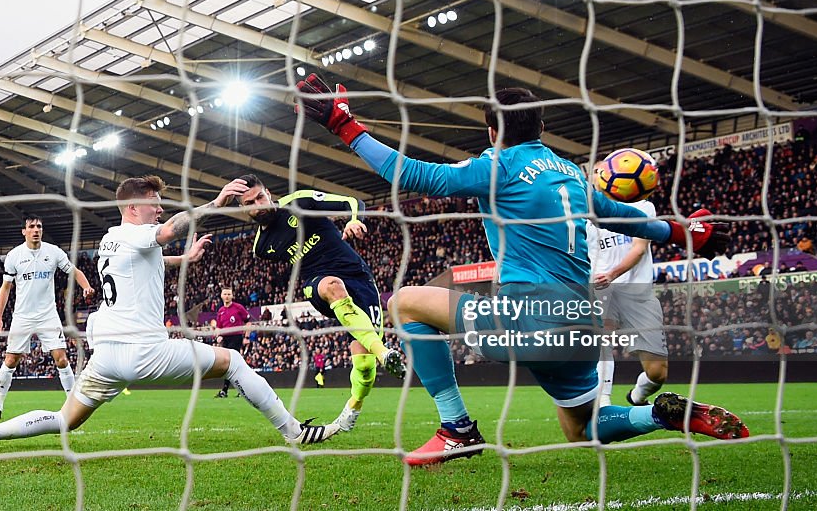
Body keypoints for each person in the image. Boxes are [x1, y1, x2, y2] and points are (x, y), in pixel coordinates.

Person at [295, 75, 748, 465]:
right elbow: (626, 218)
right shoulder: (570, 171)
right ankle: (660, 414)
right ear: (543, 128)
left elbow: (415, 175)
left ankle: (457, 428)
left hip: (529, 320)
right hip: (585, 326)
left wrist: (344, 126)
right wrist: (688, 233)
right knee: (583, 428)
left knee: (405, 302)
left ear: (492, 130)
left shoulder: (500, 166)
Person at [0, 175, 339, 449]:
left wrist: (182, 259)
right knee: (234, 362)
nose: (160, 210)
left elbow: (147, 257)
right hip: (144, 351)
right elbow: (167, 231)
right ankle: (293, 431)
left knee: (64, 419)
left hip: (107, 357)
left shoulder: (110, 240)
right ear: (133, 207)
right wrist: (214, 205)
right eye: (154, 204)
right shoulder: (138, 232)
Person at [231, 173, 405, 433]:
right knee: (332, 286)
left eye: (260, 196)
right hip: (318, 283)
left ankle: (352, 408)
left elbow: (352, 202)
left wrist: (353, 221)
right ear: (244, 209)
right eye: (250, 203)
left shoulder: (299, 202)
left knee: (365, 368)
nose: (258, 204)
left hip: (359, 278)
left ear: (268, 192)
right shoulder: (261, 247)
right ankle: (385, 353)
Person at [0, 215, 96, 421]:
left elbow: (74, 270)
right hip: (22, 316)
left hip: (48, 315)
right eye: (31, 226)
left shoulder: (53, 252)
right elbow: (5, 288)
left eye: (39, 226)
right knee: (11, 360)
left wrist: (86, 286)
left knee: (61, 359)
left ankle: (72, 405)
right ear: (24, 231)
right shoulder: (14, 256)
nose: (36, 229)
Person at [586, 162, 668, 407]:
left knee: (657, 373)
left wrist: (613, 273)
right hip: (602, 289)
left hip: (637, 293)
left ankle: (637, 395)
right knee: (602, 340)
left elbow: (639, 249)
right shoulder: (586, 215)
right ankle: (603, 403)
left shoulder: (643, 207)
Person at [214, 287, 250, 398]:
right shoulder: (221, 311)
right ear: (221, 296)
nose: (227, 296)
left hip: (236, 337)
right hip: (226, 339)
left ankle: (227, 390)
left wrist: (246, 336)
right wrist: (218, 335)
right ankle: (233, 390)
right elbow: (219, 327)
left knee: (231, 364)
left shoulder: (238, 308)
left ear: (232, 296)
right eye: (225, 294)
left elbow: (248, 322)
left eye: (229, 294)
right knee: (229, 365)